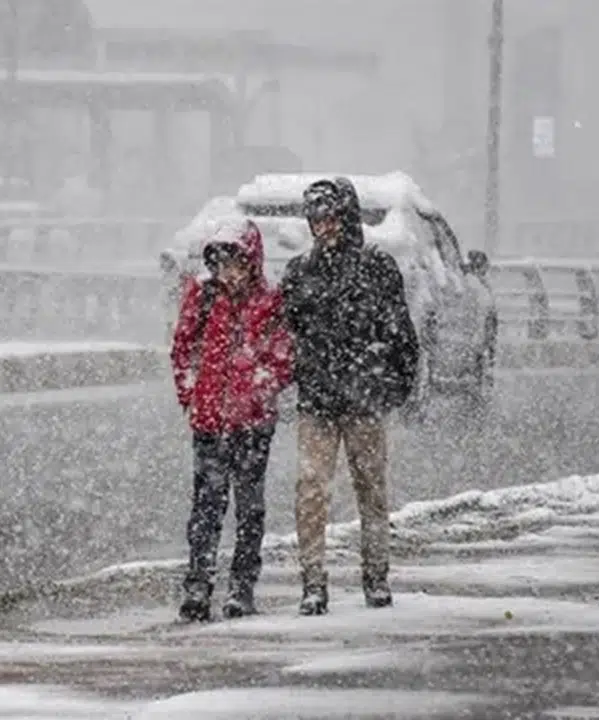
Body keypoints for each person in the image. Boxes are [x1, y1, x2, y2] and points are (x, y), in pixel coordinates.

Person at [279, 176, 420, 616]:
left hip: (362, 400)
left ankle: (375, 576)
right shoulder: (299, 272)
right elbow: (286, 333)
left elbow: (400, 334)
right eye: (316, 219)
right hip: (319, 400)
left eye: (330, 217)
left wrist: (391, 389)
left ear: (347, 218)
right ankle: (313, 582)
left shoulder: (377, 268)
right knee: (312, 491)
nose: (323, 227)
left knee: (370, 489)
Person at [170, 218, 293, 621]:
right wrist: (191, 393)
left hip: (253, 424)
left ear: (251, 262)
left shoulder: (270, 301)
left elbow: (283, 357)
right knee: (206, 508)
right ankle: (198, 585)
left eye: (236, 263)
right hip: (209, 422)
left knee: (249, 508)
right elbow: (183, 348)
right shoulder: (204, 297)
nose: (229, 273)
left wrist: (258, 389)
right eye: (222, 264)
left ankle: (242, 587)